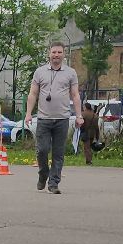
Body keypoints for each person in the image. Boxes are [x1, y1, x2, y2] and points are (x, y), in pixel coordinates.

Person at [22, 43, 82, 194]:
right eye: (54, 52)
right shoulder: (40, 72)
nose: (56, 55)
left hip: (62, 119)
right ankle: (43, 174)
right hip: (44, 118)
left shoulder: (70, 73)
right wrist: (28, 113)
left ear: (64, 54)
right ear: (49, 54)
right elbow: (33, 94)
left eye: (59, 52)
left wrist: (79, 115)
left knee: (58, 153)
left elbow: (75, 95)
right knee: (42, 150)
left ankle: (53, 183)